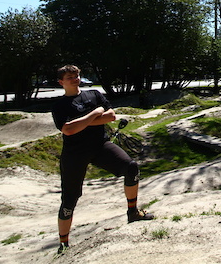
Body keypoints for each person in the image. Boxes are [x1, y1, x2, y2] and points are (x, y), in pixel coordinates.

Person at [51, 64, 154, 255]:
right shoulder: (60, 105)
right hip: (74, 153)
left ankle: (133, 212)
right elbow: (68, 130)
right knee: (69, 199)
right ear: (61, 82)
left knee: (131, 168)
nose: (75, 79)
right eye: (70, 77)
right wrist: (94, 113)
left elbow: (111, 116)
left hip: (100, 145)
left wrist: (82, 121)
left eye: (77, 75)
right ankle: (63, 243)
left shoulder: (94, 94)